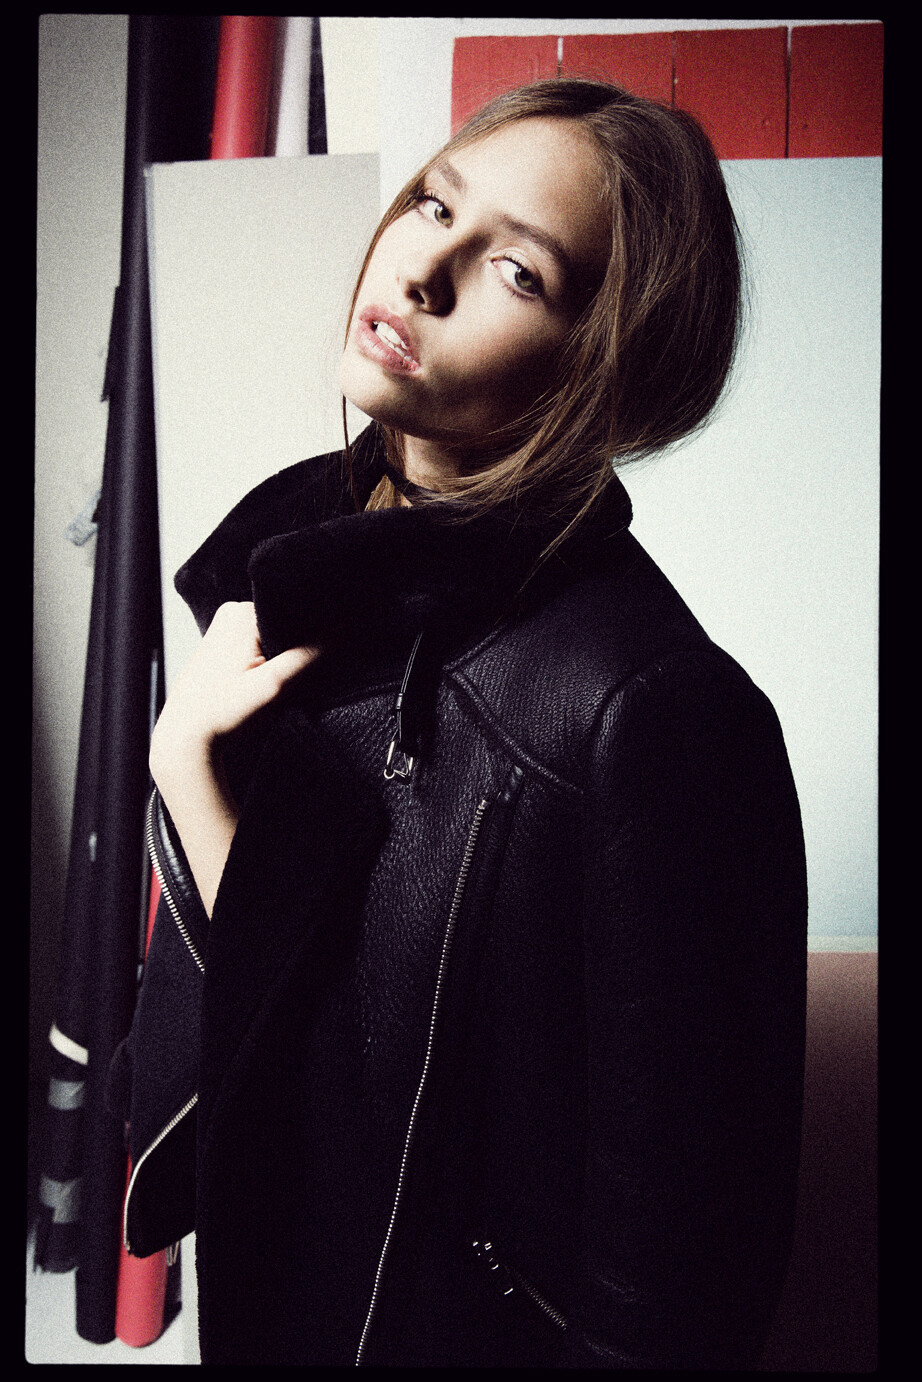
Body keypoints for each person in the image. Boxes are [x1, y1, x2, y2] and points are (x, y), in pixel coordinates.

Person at [109, 78, 808, 1368]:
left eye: (518, 272)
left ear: (609, 370)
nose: (421, 269)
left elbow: (678, 1292)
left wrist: (193, 788)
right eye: (435, 204)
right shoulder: (311, 561)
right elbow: (284, 1065)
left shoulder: (657, 715)